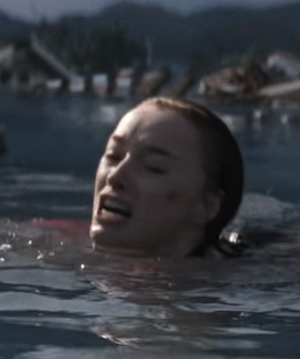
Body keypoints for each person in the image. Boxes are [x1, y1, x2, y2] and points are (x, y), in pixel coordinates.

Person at [89, 97, 244, 258]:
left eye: (153, 167)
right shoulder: (63, 244)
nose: (115, 176)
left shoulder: (230, 279)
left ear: (207, 206)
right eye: (113, 156)